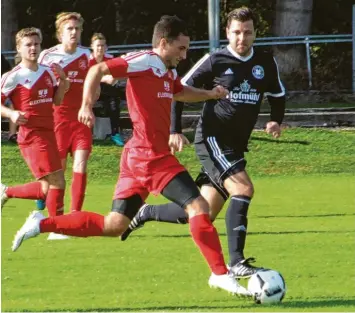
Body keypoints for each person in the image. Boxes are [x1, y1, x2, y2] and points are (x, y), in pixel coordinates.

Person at [12, 15, 251, 297]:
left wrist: (210, 94)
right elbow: (97, 69)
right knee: (198, 207)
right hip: (151, 157)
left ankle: (41, 223)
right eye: (181, 49)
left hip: (138, 157)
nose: (184, 56)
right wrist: (87, 105)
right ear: (164, 43)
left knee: (114, 225)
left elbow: (180, 92)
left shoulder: (166, 70)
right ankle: (220, 274)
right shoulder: (145, 61)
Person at [121, 7, 286, 279]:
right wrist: (174, 130)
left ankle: (147, 212)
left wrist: (276, 120)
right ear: (227, 33)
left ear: (255, 33)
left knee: (202, 212)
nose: (241, 38)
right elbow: (178, 91)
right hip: (213, 138)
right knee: (243, 188)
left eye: (247, 32)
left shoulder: (266, 62)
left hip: (235, 144)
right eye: (236, 32)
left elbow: (278, 94)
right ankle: (236, 262)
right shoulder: (215, 60)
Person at [1, 28, 68, 220]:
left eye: (36, 44)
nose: (33, 48)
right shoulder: (13, 76)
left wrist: (63, 80)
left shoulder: (48, 72)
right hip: (31, 135)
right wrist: (11, 113)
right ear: (19, 48)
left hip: (49, 133)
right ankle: (57, 227)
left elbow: (57, 100)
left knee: (47, 188)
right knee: (58, 180)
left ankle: (7, 192)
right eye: (28, 45)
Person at [34, 12, 93, 232]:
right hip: (56, 121)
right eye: (70, 29)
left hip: (80, 119)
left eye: (77, 29)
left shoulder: (88, 55)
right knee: (57, 173)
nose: (74, 33)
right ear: (60, 33)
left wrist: (90, 103)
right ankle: (51, 215)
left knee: (81, 165)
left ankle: (75, 216)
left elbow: (95, 82)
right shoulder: (47, 57)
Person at [89, 32, 124, 146]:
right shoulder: (87, 60)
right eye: (98, 45)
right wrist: (103, 79)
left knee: (114, 102)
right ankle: (87, 133)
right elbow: (87, 78)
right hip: (91, 90)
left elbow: (117, 75)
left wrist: (114, 78)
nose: (100, 48)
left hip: (107, 91)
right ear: (92, 47)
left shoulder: (110, 59)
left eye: (103, 45)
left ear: (106, 47)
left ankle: (115, 133)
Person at [1, 54, 18, 142]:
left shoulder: (2, 59)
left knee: (13, 103)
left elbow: (9, 74)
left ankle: (12, 134)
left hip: (3, 91)